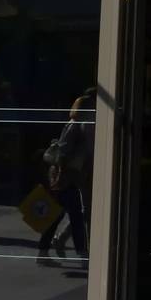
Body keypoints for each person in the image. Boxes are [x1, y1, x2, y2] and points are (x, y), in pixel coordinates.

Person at [37, 94, 93, 266]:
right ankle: (83, 255)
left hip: (70, 176)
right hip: (66, 176)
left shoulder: (79, 125)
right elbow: (63, 151)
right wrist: (60, 176)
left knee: (58, 215)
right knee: (74, 215)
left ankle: (44, 252)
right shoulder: (75, 125)